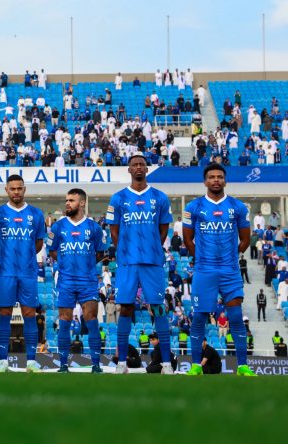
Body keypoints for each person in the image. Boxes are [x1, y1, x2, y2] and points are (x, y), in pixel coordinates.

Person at [182, 163, 255, 376]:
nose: (216, 180)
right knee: (199, 318)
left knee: (235, 316)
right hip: (204, 271)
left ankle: (242, 366)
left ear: (225, 180)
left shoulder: (238, 207)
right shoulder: (193, 207)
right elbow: (188, 240)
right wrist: (203, 259)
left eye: (219, 177)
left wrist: (231, 257)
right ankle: (196, 365)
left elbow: (245, 239)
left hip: (230, 271)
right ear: (205, 181)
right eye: (212, 177)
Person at [106, 154, 174, 374]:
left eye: (141, 165)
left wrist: (154, 246)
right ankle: (122, 363)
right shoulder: (117, 198)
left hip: (152, 261)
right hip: (127, 262)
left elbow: (164, 228)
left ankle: (165, 363)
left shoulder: (160, 197)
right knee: (124, 307)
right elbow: (113, 229)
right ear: (129, 170)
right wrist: (124, 250)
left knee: (158, 308)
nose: (138, 168)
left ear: (147, 169)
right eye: (134, 165)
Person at [0, 175, 47, 372]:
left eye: (19, 188)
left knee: (29, 314)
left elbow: (38, 244)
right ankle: (3, 361)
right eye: (12, 188)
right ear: (6, 190)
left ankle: (31, 361)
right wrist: (2, 261)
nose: (16, 192)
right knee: (4, 313)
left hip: (28, 272)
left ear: (24, 189)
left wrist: (26, 258)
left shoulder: (36, 214)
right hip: (6, 273)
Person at [46, 188, 107, 374]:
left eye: (71, 200)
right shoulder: (57, 227)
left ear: (81, 203)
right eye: (66, 200)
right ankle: (63, 364)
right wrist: (66, 264)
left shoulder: (94, 228)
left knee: (91, 321)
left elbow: (100, 253)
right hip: (65, 281)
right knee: (64, 321)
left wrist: (85, 266)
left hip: (88, 281)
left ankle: (96, 365)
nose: (67, 203)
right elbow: (52, 250)